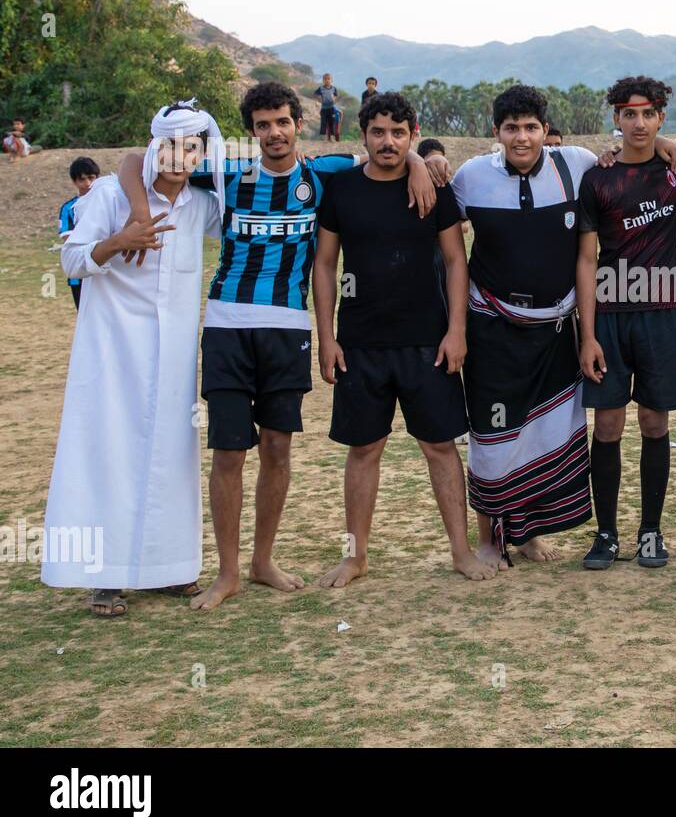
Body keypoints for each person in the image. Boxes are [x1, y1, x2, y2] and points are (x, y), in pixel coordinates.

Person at [118, 81, 442, 610]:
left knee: (277, 448)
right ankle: (226, 573)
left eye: (283, 122)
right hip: (225, 326)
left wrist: (425, 164)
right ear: (252, 130)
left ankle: (262, 560)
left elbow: (390, 153)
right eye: (263, 125)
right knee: (227, 452)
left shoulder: (325, 173)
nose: (273, 133)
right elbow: (137, 157)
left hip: (288, 329)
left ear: (299, 124)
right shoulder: (223, 173)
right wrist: (137, 210)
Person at [452, 85, 676, 567]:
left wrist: (661, 144)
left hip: (557, 325)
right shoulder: (471, 176)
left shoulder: (574, 164)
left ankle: (529, 533)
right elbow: (446, 237)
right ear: (495, 133)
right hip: (492, 324)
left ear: (545, 132)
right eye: (511, 128)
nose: (521, 137)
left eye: (531, 127)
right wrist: (422, 161)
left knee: (548, 433)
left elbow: (630, 156)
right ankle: (491, 538)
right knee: (493, 435)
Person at [43, 101, 223, 616]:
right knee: (109, 455)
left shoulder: (201, 204)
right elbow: (72, 258)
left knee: (171, 457)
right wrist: (119, 241)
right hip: (112, 352)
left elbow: (261, 187)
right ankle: (105, 577)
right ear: (153, 145)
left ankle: (167, 569)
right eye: (169, 145)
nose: (178, 157)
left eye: (191, 147)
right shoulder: (107, 194)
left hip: (172, 359)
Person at [313, 91, 496, 584]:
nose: (388, 142)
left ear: (412, 134)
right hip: (360, 345)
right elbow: (325, 266)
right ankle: (355, 556)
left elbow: (457, 261)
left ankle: (460, 551)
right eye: (378, 132)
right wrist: (326, 337)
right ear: (364, 136)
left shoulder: (435, 189)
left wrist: (456, 331)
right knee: (363, 451)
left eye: (398, 133)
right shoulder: (342, 189)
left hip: (428, 343)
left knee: (440, 447)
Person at [577, 76, 676, 569]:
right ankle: (606, 534)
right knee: (609, 424)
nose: (638, 123)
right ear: (615, 119)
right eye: (628, 114)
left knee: (654, 421)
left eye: (648, 114)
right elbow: (585, 259)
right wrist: (588, 334)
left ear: (661, 116)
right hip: (610, 316)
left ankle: (650, 532)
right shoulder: (598, 177)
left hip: (660, 313)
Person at [59, 157, 102, 310]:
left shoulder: (109, 204)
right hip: (80, 273)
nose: (88, 183)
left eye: (91, 178)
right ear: (74, 182)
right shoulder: (69, 208)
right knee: (84, 316)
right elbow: (68, 238)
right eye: (82, 179)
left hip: (105, 271)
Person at [314, 73, 342, 141]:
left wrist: (334, 99)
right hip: (324, 108)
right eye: (325, 79)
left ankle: (333, 135)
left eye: (328, 79)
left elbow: (336, 95)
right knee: (324, 122)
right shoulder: (321, 88)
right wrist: (319, 99)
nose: (327, 80)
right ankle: (326, 137)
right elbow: (315, 94)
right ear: (323, 80)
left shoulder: (334, 88)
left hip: (331, 107)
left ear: (331, 80)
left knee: (332, 121)